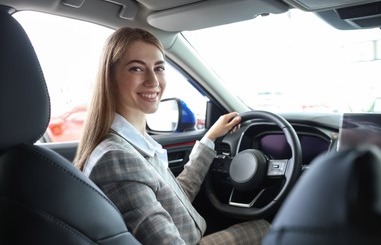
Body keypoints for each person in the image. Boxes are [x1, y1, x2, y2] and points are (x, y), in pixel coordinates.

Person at [73, 27, 271, 244]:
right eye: (137, 69)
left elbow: (176, 199)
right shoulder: (117, 159)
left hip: (194, 234)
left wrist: (210, 139)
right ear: (110, 78)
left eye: (159, 68)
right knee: (274, 227)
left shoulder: (134, 144)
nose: (153, 81)